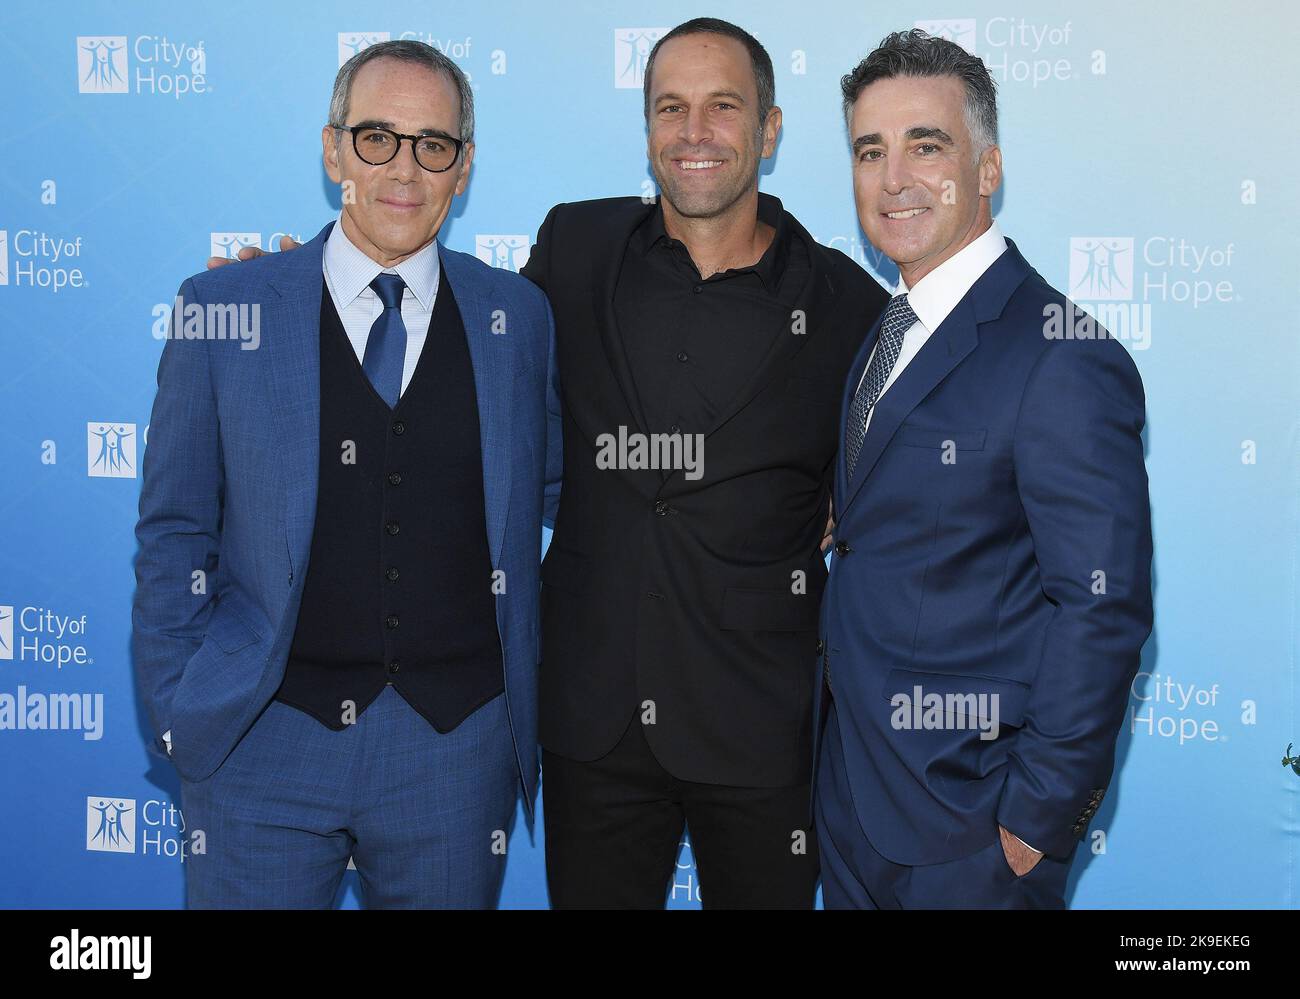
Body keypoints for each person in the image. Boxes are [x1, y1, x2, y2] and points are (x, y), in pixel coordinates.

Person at [207, 18, 889, 909]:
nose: (694, 132)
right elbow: (435, 334)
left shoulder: (848, 303)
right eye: (670, 107)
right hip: (590, 723)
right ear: (646, 127)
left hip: (763, 725)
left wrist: (847, 502)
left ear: (769, 128)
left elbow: (898, 482)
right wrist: (287, 287)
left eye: (723, 107)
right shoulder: (575, 249)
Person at [133, 39, 560, 908]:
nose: (404, 167)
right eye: (376, 137)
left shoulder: (518, 316)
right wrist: (184, 702)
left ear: (463, 167)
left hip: (454, 750)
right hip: (262, 737)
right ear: (333, 151)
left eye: (433, 144)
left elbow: (561, 485)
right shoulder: (226, 308)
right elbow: (175, 528)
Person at [814, 28, 1153, 909]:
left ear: (988, 168)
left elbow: (1103, 601)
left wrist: (1036, 819)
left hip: (972, 830)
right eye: (870, 151)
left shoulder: (1061, 352)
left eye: (927, 146)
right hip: (853, 800)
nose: (894, 180)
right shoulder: (887, 330)